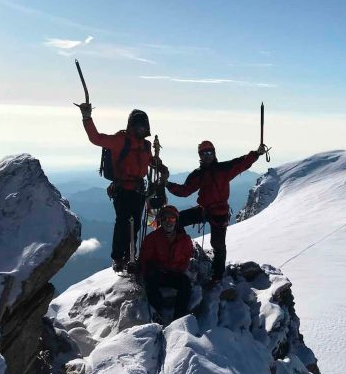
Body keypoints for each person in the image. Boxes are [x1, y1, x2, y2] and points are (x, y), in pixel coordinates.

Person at [164, 140, 267, 287]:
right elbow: (185, 191)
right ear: (200, 155)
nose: (207, 156)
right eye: (204, 153)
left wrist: (256, 153)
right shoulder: (199, 174)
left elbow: (242, 162)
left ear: (213, 153)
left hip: (219, 212)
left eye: (209, 153)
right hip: (205, 209)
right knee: (177, 220)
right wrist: (168, 185)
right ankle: (181, 251)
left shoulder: (223, 169)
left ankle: (217, 276)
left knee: (217, 245)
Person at [77, 103, 160, 272]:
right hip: (122, 189)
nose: (141, 129)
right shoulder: (120, 140)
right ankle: (118, 258)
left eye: (143, 127)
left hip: (138, 190)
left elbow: (149, 161)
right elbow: (97, 139)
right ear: (132, 126)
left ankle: (131, 256)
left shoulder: (145, 145)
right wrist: (87, 118)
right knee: (123, 222)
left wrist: (159, 165)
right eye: (139, 126)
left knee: (135, 224)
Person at [138, 205, 194, 321]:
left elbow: (186, 259)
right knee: (151, 284)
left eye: (172, 219)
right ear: (161, 221)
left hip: (174, 273)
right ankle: (157, 315)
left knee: (185, 284)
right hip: (157, 273)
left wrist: (176, 269)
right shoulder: (152, 238)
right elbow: (144, 259)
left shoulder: (184, 240)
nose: (168, 222)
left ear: (176, 221)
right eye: (165, 219)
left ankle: (179, 317)